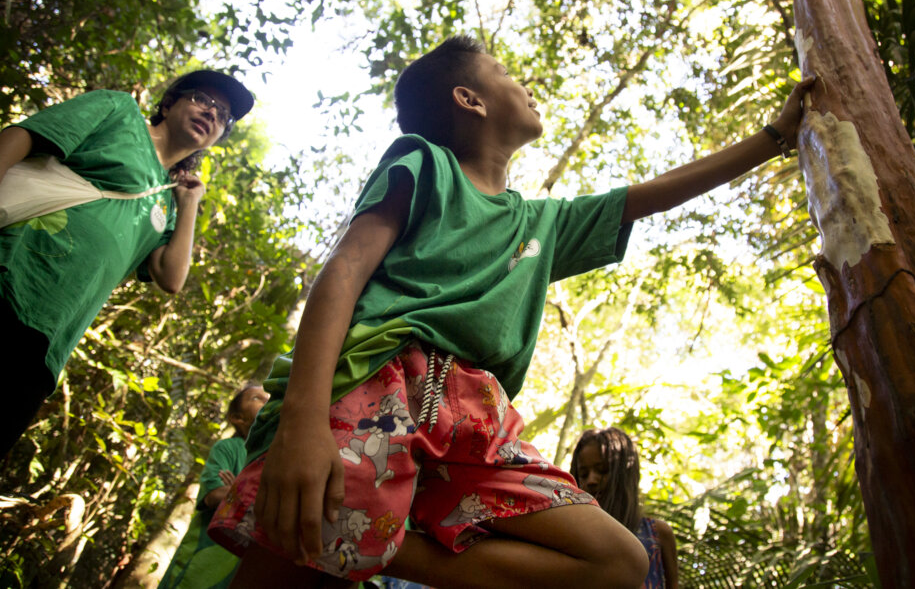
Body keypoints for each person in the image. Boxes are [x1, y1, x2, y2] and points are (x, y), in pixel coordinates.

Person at [208, 35, 813, 588]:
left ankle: (371, 541)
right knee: (292, 549)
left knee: (617, 561)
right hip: (378, 382)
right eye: (505, 72)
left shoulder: (541, 225)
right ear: (469, 99)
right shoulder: (424, 163)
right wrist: (304, 423)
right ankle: (346, 534)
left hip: (479, 419)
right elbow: (342, 273)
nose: (524, 84)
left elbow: (655, 195)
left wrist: (775, 138)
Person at [0, 70, 254, 456]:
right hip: (8, 278)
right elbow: (26, 135)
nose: (212, 113)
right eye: (203, 99)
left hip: (50, 337)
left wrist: (190, 204)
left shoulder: (168, 204)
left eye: (224, 116)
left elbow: (171, 278)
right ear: (169, 103)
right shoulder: (117, 111)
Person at [159, 384, 271, 589]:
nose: (267, 401)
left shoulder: (274, 456)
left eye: (270, 398)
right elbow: (214, 495)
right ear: (237, 418)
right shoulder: (228, 448)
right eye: (257, 398)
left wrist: (238, 489)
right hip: (204, 556)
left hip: (242, 563)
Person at [570, 427, 678, 589]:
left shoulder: (658, 534)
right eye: (584, 474)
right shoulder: (572, 534)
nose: (591, 480)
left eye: (602, 471)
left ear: (625, 474)